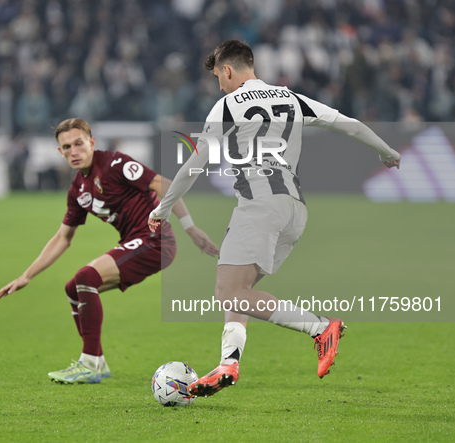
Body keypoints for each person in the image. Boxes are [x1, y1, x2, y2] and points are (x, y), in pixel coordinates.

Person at [148, 40, 400, 397]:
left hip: (258, 205)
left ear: (229, 70)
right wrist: (386, 151)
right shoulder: (291, 98)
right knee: (240, 291)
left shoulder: (227, 105)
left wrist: (161, 209)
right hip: (294, 210)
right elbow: (348, 123)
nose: (219, 85)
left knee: (228, 291)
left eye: (219, 76)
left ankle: (320, 327)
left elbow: (194, 165)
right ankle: (228, 362)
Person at [0, 117, 219, 384]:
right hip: (134, 241)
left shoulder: (115, 164)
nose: (73, 151)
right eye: (66, 147)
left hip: (155, 240)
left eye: (78, 143)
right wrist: (27, 275)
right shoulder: (78, 188)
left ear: (91, 142)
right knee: (73, 289)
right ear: (60, 152)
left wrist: (190, 227)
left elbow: (166, 184)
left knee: (85, 278)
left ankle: (89, 363)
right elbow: (62, 238)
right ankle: (98, 363)